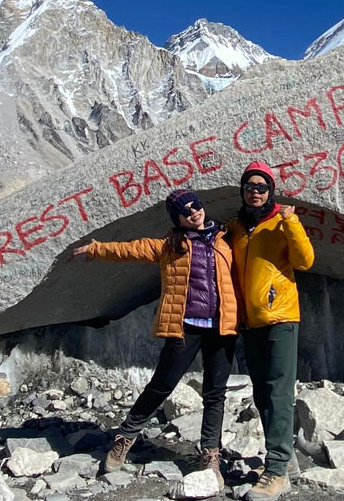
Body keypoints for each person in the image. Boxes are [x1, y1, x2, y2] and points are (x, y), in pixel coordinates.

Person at [72, 188, 239, 481]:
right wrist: (97, 248)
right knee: (162, 385)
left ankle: (210, 453)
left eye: (195, 206)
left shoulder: (226, 239)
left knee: (215, 393)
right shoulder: (170, 246)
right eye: (185, 211)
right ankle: (126, 436)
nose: (193, 212)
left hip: (222, 328)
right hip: (185, 326)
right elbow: (132, 249)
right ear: (178, 218)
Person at [227, 161, 315, 501]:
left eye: (262, 187)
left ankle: (276, 470)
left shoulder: (281, 221)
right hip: (251, 322)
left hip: (280, 317)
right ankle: (287, 458)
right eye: (250, 186)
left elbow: (305, 260)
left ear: (271, 191)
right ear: (243, 190)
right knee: (263, 394)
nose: (255, 191)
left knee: (278, 392)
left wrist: (291, 222)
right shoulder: (235, 227)